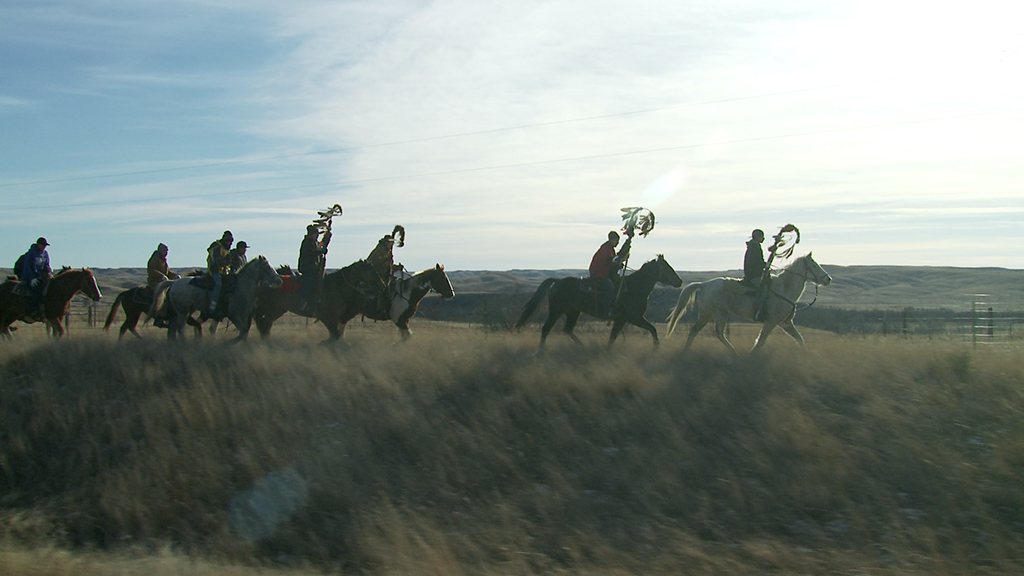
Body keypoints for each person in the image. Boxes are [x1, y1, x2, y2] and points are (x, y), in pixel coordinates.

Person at [588, 228, 632, 318]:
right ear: (612, 239)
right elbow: (609, 261)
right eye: (617, 240)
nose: (617, 243)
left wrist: (627, 243)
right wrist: (618, 264)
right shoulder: (606, 249)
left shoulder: (609, 249)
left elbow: (615, 258)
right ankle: (606, 311)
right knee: (610, 288)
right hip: (599, 274)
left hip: (603, 273)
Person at [297, 225, 331, 311]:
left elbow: (322, 245)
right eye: (316, 234)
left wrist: (327, 236)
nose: (317, 236)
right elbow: (312, 252)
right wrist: (321, 251)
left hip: (315, 269)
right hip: (307, 269)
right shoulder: (306, 242)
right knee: (309, 283)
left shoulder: (314, 243)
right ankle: (303, 302)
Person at [20, 237, 52, 318]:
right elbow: (27, 267)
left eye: (45, 245)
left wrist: (48, 270)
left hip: (41, 277)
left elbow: (46, 265)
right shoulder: (31, 253)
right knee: (36, 291)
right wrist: (32, 278)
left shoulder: (45, 254)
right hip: (31, 277)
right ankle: (33, 310)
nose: (44, 247)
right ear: (38, 245)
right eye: (43, 245)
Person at [206, 231, 233, 315]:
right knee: (218, 284)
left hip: (224, 271)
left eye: (230, 241)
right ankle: (212, 304)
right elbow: (217, 260)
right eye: (228, 241)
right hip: (214, 270)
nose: (229, 243)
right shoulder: (216, 247)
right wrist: (226, 261)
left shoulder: (225, 249)